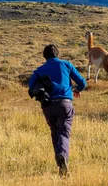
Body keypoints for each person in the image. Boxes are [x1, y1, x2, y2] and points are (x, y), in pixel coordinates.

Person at [28, 44, 87, 177]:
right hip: (65, 104)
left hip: (47, 105)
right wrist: (77, 90)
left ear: (45, 56)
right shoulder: (66, 65)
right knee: (64, 133)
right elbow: (82, 82)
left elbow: (31, 86)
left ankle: (61, 167)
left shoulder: (40, 70)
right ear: (57, 54)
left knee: (55, 132)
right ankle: (62, 156)